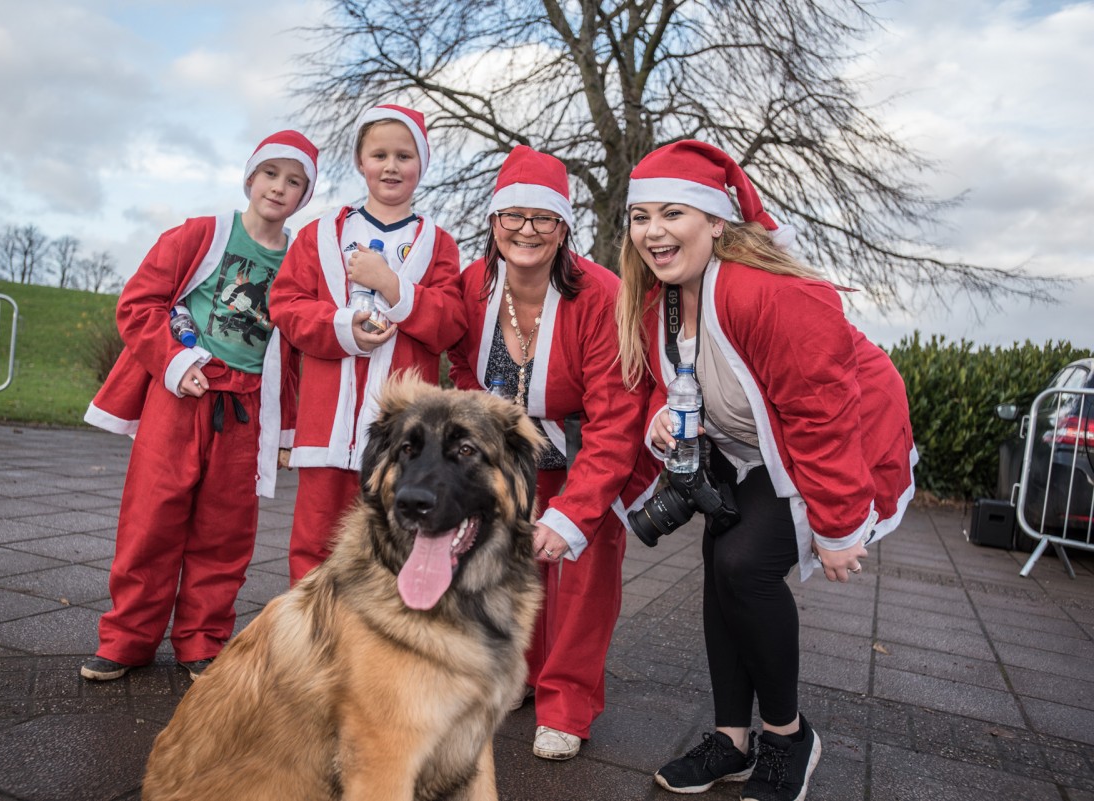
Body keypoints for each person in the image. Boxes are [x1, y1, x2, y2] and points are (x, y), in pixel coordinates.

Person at [615, 140, 917, 800]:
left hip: (843, 439)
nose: (653, 232)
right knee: (723, 561)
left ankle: (787, 735)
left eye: (673, 213)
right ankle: (732, 740)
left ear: (716, 222)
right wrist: (658, 419)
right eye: (641, 217)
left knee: (746, 565)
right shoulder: (656, 300)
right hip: (755, 448)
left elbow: (823, 417)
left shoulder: (772, 296)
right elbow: (655, 387)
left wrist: (839, 527)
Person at [80, 130, 319, 682]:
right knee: (151, 520)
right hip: (180, 397)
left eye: (294, 181)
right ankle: (125, 641)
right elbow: (140, 303)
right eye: (271, 174)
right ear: (249, 178)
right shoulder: (201, 234)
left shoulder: (301, 259)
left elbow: (296, 352)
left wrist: (285, 434)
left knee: (225, 532)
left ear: (304, 196)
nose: (279, 188)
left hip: (247, 410)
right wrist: (176, 362)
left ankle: (202, 642)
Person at [448, 145, 659, 761]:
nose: (527, 231)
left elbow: (616, 415)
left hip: (590, 449)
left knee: (582, 574)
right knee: (509, 569)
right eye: (512, 216)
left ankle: (568, 701)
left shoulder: (600, 294)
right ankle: (520, 676)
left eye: (543, 218)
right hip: (510, 456)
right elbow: (461, 360)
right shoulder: (473, 284)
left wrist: (575, 511)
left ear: (564, 227)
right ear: (493, 224)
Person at [269, 104, 466, 581]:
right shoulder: (320, 235)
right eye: (379, 154)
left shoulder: (439, 244)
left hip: (404, 435)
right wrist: (341, 326)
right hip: (327, 423)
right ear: (360, 161)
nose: (391, 166)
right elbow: (287, 305)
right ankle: (315, 650)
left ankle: (380, 650)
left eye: (404, 155)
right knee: (316, 545)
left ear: (422, 164)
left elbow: (452, 323)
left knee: (394, 544)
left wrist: (394, 288)